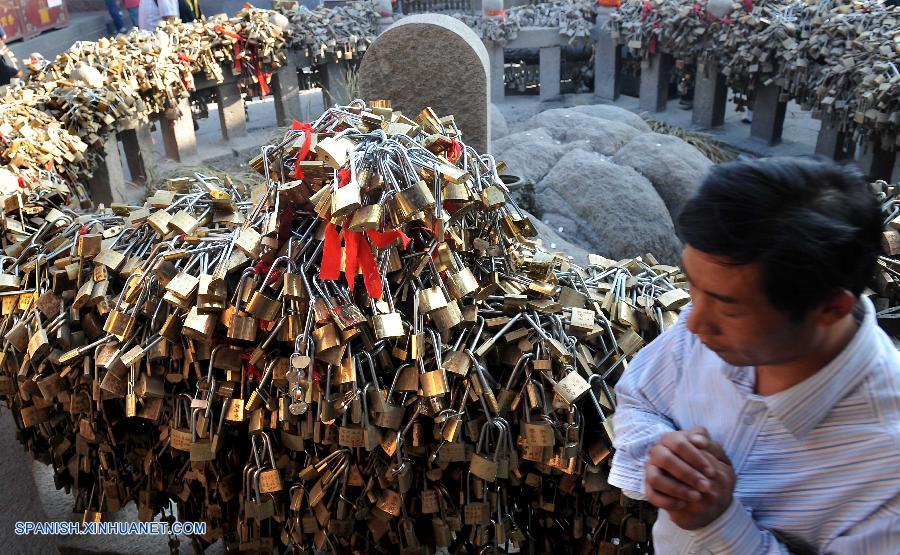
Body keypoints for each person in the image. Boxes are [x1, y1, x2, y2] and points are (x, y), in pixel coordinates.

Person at [609, 157, 900, 553]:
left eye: (730, 307)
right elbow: (638, 396)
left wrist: (720, 522)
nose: (693, 324)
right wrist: (669, 462)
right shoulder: (713, 325)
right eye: (693, 287)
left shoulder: (886, 470)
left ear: (830, 309)